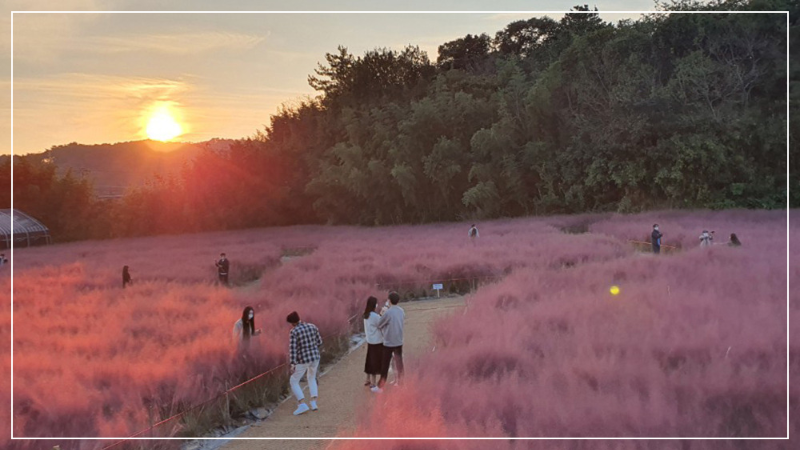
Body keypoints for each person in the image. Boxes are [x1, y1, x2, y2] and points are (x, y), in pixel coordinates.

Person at [287, 311, 322, 415]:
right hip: (315, 357)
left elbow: (292, 349)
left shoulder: (294, 331)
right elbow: (319, 342)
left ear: (292, 322)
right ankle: (313, 403)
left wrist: (293, 364)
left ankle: (302, 404)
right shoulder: (312, 326)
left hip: (303, 360)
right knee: (311, 378)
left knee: (293, 380)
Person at [373, 292, 404, 393]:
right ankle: (400, 383)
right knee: (399, 363)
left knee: (385, 364)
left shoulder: (388, 312)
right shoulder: (401, 311)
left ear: (389, 300)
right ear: (398, 301)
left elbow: (379, 324)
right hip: (399, 341)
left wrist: (382, 313)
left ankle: (380, 386)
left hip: (389, 342)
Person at [363, 296, 383, 389]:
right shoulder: (375, 316)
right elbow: (381, 325)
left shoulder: (366, 315)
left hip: (370, 340)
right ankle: (373, 382)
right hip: (377, 341)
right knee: (375, 362)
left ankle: (367, 379)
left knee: (369, 360)